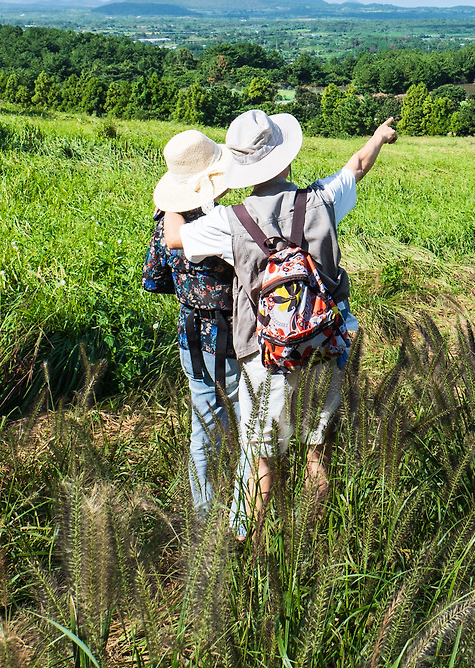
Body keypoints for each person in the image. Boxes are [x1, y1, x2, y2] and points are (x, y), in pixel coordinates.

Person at [164, 109, 397, 538]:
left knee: (262, 462)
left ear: (237, 168)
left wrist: (174, 194)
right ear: (285, 157)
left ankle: (248, 557)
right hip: (324, 346)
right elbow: (357, 166)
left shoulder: (229, 221)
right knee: (316, 457)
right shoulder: (322, 201)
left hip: (263, 358)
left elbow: (174, 239)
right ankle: (315, 545)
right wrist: (380, 136)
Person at [142, 129, 240, 529]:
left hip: (191, 336)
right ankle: (243, 512)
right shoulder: (223, 221)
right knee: (248, 417)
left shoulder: (166, 226)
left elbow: (154, 279)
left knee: (205, 421)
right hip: (234, 335)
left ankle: (203, 510)